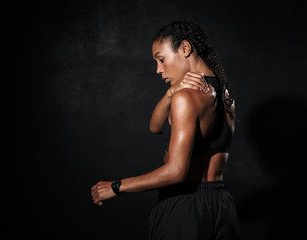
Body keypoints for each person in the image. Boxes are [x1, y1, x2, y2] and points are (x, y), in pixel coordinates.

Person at [91, 20, 240, 240]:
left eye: (161, 59)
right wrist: (171, 93)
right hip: (222, 205)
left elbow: (176, 171)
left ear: (185, 49)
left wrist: (117, 186)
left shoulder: (187, 98)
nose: (159, 70)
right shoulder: (224, 91)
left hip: (187, 210)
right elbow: (155, 127)